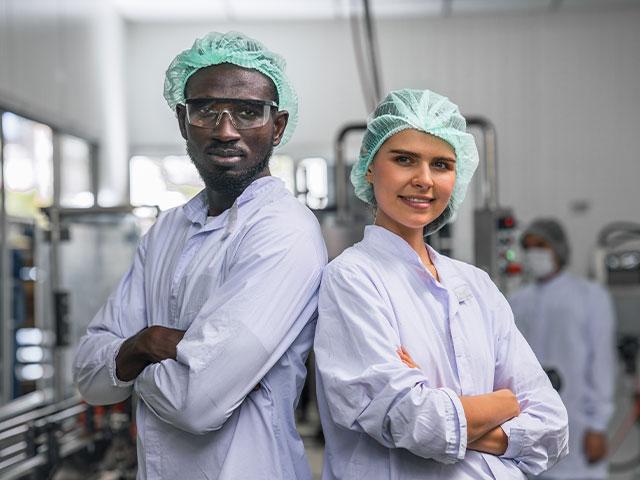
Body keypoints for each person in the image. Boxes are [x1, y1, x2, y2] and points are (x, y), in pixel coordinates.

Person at [72, 31, 327, 479]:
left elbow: (196, 402)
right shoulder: (167, 230)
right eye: (207, 110)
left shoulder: (285, 231)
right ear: (182, 121)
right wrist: (147, 342)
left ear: (278, 126)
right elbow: (89, 377)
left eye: (249, 112)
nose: (226, 130)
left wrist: (129, 361)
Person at [314, 89, 569, 479]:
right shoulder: (352, 278)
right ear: (369, 167)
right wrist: (505, 402)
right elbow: (415, 422)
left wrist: (453, 415)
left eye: (442, 165)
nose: (424, 180)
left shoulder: (476, 284)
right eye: (404, 159)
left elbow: (552, 428)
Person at [508, 218, 616, 480]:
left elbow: (601, 364)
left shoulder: (589, 296)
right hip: (529, 427)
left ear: (558, 248)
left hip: (578, 424)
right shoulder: (516, 301)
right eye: (528, 246)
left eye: (541, 245)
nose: (534, 253)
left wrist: (598, 426)